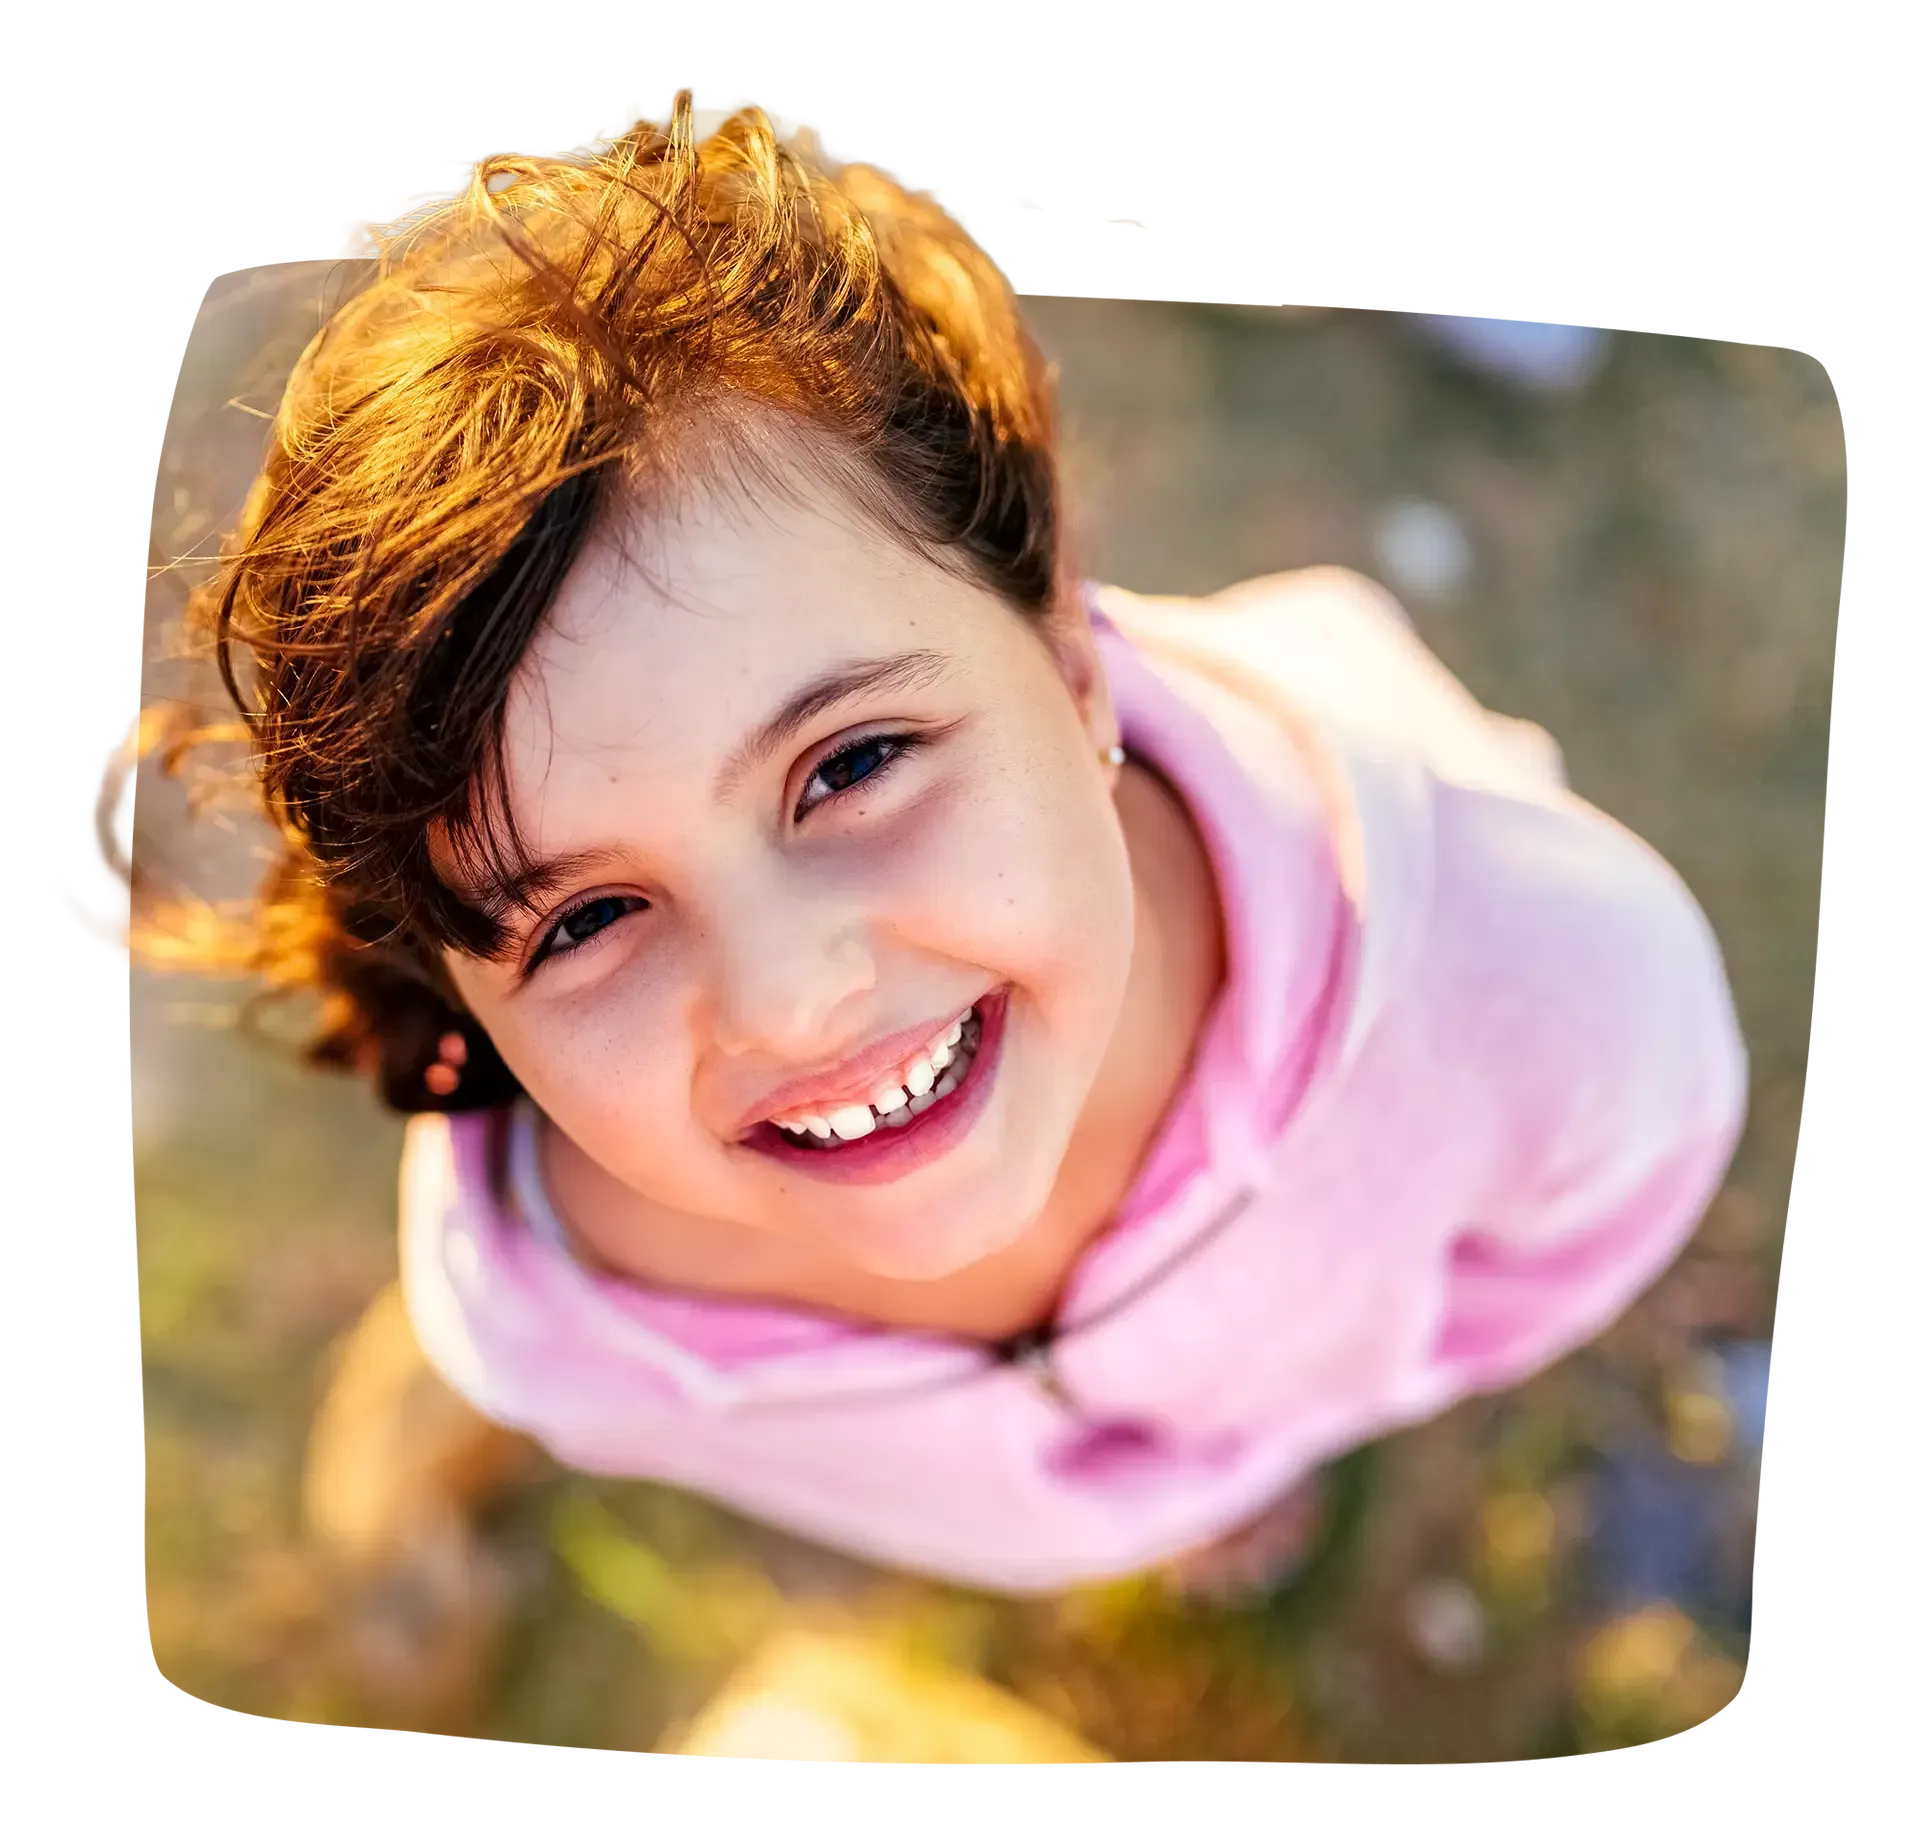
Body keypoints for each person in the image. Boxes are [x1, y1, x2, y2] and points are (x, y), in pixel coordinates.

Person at [89, 96, 1747, 1625]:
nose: (792, 1000)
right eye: (586, 916)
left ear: (1072, 654)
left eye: (852, 764)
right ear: (465, 994)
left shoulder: (1557, 996)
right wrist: (1136, 1501)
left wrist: (1269, 1420)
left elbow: (1560, 1259)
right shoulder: (562, 1315)